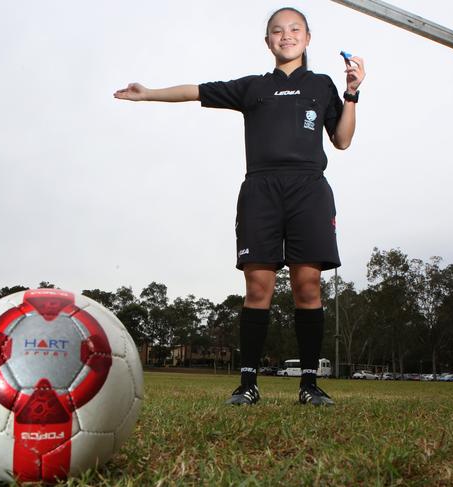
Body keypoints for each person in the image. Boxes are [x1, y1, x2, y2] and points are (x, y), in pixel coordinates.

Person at [114, 7, 365, 406]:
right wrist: (149, 94)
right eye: (277, 31)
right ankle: (247, 384)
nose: (286, 35)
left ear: (308, 37)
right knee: (258, 286)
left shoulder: (322, 85)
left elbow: (343, 139)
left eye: (294, 29)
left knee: (308, 285)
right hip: (261, 190)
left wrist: (352, 91)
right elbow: (195, 90)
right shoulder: (253, 87)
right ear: (267, 41)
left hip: (309, 190)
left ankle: (309, 385)